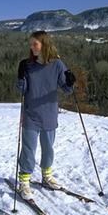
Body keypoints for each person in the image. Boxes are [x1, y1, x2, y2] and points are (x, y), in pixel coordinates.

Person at [16, 30, 76, 200]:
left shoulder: (57, 64)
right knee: (28, 149)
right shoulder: (27, 65)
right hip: (31, 114)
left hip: (49, 114)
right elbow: (22, 89)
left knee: (48, 148)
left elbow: (67, 89)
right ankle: (24, 181)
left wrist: (71, 80)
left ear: (44, 44)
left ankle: (46, 176)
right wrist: (20, 77)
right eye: (30, 44)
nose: (32, 47)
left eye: (35, 44)